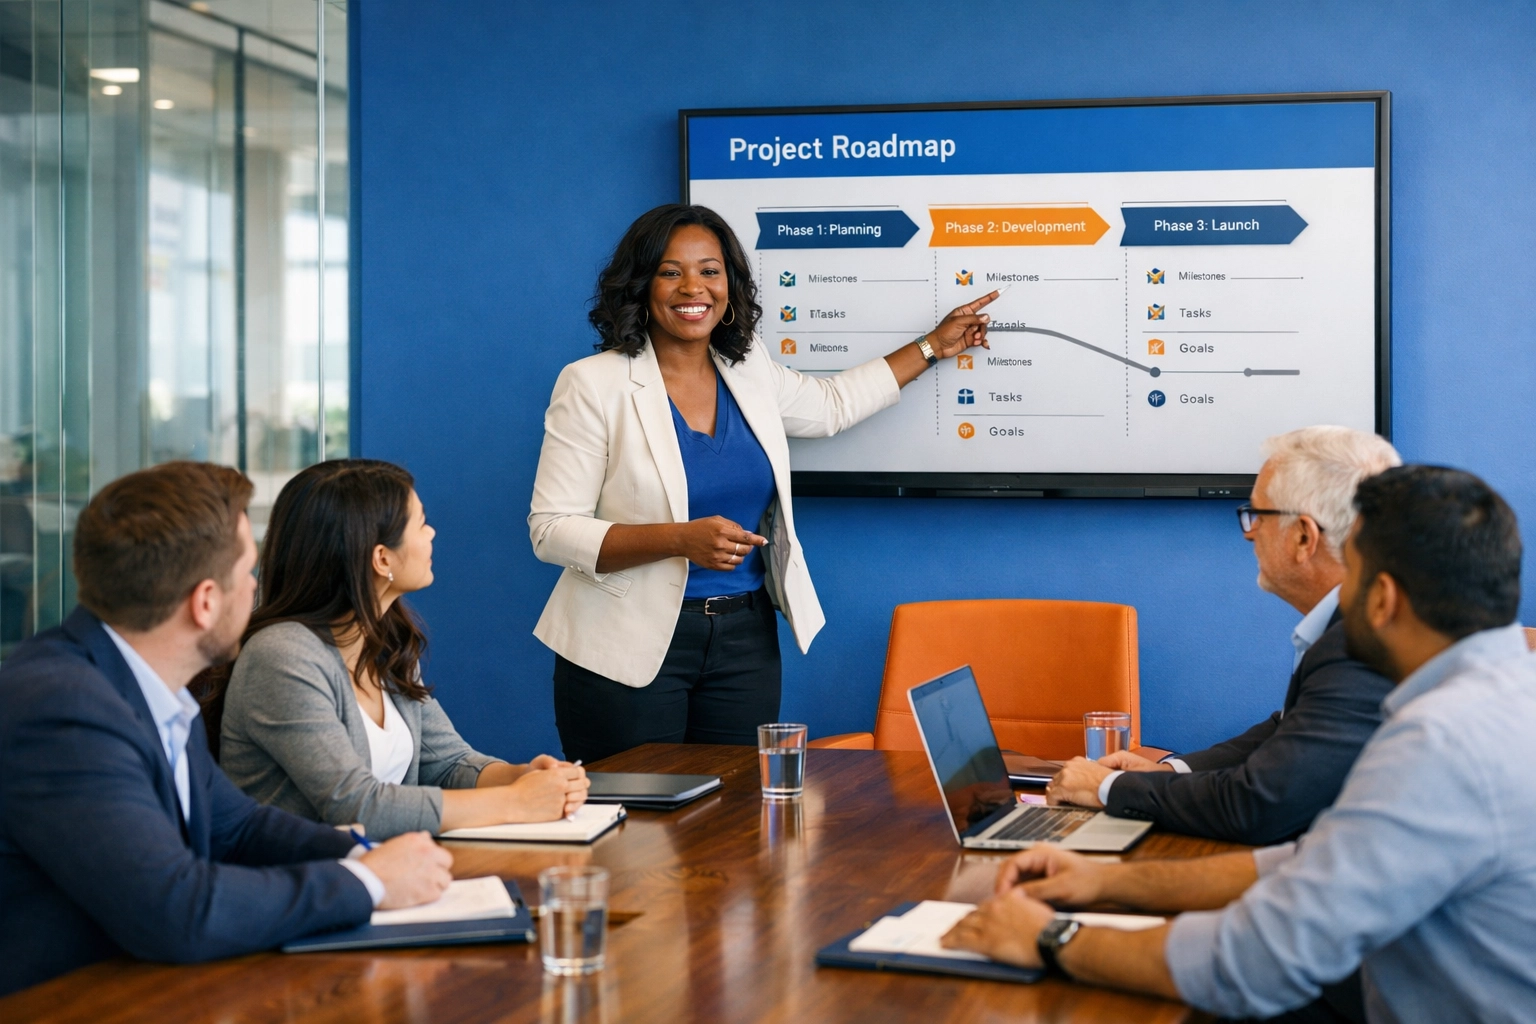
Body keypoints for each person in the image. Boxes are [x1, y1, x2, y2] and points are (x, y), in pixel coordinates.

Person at [942, 465, 1536, 1023]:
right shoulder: (1507, 697)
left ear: (1381, 599)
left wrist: (1049, 938)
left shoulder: (1439, 744)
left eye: (1349, 576)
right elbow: (1310, 863)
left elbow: (1256, 961)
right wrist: (1102, 881)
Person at [530, 204, 997, 763]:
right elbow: (552, 530)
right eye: (670, 271)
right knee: (638, 835)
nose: (692, 287)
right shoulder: (592, 384)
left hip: (743, 639)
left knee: (732, 825)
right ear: (642, 284)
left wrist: (934, 346)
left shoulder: (748, 368)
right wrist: (680, 539)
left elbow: (831, 406)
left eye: (710, 270)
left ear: (730, 283)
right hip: (625, 645)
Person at [0, 462, 452, 997]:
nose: (258, 589)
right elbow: (177, 909)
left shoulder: (151, 683)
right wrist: (369, 882)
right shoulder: (62, 709)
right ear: (206, 602)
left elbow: (238, 828)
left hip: (142, 986)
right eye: (248, 574)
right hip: (65, 1002)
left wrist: (361, 854)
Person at [1046, 426, 1401, 845]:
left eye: (1257, 515)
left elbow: (1259, 803)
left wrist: (1104, 788)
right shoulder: (1350, 624)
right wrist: (1168, 771)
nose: (1249, 532)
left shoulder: (1357, 645)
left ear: (1304, 537)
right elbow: (1287, 730)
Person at [214, 460, 588, 841]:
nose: (432, 533)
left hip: (387, 874)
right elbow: (357, 806)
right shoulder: (281, 656)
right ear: (381, 558)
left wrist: (521, 777)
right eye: (421, 523)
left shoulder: (383, 642)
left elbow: (447, 764)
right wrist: (515, 802)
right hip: (303, 885)